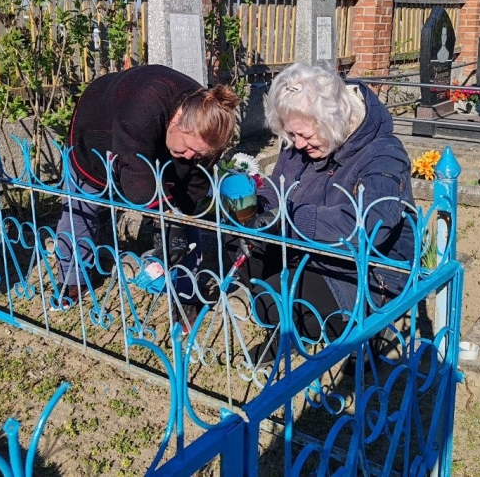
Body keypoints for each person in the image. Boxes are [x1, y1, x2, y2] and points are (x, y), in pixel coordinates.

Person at [240, 63, 415, 364]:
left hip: (363, 269)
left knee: (285, 294)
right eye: (291, 135)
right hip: (309, 248)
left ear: (332, 121)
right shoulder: (304, 137)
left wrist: (290, 223)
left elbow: (370, 226)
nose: (297, 144)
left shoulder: (383, 153)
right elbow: (278, 187)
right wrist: (258, 208)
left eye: (304, 136)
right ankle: (289, 327)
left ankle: (366, 331)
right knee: (238, 248)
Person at [57, 65, 240, 327]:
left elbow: (194, 185)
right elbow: (137, 181)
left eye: (198, 154)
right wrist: (164, 216)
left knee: (183, 225)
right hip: (98, 126)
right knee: (81, 206)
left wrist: (179, 219)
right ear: (176, 121)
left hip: (148, 134)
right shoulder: (141, 111)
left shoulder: (208, 131)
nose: (191, 157)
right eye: (188, 148)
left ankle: (185, 290)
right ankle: (73, 278)